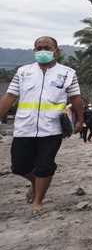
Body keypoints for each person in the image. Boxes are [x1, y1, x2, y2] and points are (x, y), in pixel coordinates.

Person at [0, 36, 83, 214]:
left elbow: (75, 98)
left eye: (46, 47)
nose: (42, 51)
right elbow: (9, 97)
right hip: (24, 127)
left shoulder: (68, 73)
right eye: (39, 48)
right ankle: (34, 182)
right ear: (34, 51)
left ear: (56, 51)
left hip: (52, 127)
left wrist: (79, 119)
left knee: (45, 166)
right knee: (19, 166)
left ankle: (38, 202)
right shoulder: (23, 72)